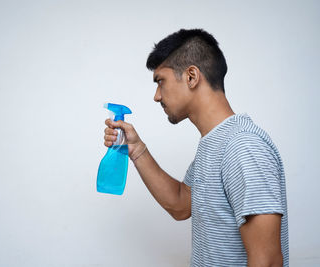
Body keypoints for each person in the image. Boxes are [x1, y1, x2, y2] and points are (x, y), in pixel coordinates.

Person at [103, 29, 288, 267]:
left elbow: (268, 261)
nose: (156, 96)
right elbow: (181, 204)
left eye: (161, 81)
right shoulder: (214, 143)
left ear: (191, 76)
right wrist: (137, 149)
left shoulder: (243, 146)